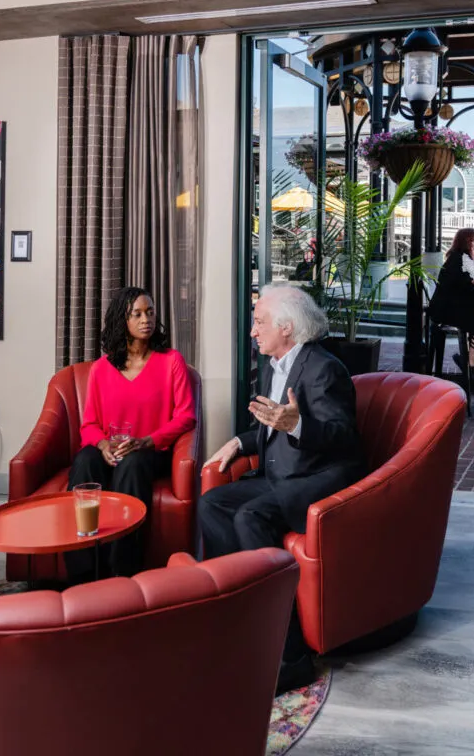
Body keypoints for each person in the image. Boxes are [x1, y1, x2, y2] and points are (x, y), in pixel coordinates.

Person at [198, 285, 367, 694]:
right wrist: (241, 441)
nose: (253, 332)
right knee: (212, 504)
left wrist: (298, 426)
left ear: (287, 328)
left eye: (259, 322)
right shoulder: (280, 364)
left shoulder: (324, 368)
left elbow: (343, 438)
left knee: (249, 516)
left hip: (317, 479)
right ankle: (239, 616)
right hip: (282, 475)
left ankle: (291, 659)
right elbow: (273, 425)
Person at [64, 287, 196, 581]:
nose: (145, 319)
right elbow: (89, 425)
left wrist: (146, 441)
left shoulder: (171, 361)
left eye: (149, 312)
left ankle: (122, 569)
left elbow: (186, 415)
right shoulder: (101, 368)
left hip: (151, 452)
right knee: (86, 461)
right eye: (136, 314)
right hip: (111, 449)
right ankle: (82, 570)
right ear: (121, 320)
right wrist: (103, 445)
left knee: (133, 463)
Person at [428, 228, 474, 381]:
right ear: (468, 242)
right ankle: (470, 364)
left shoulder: (466, 259)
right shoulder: (458, 259)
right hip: (446, 311)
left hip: (458, 307)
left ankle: (472, 363)